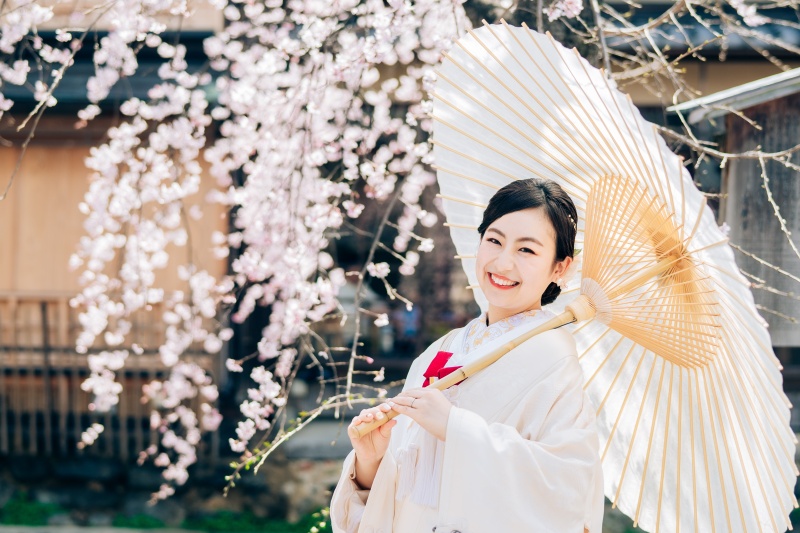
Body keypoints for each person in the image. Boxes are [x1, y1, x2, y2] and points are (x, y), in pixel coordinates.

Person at [330, 178, 604, 532]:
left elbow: (566, 491)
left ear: (560, 268)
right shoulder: (439, 352)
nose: (503, 262)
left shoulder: (554, 361)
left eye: (527, 250)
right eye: (494, 240)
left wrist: (455, 428)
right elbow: (406, 492)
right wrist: (370, 462)